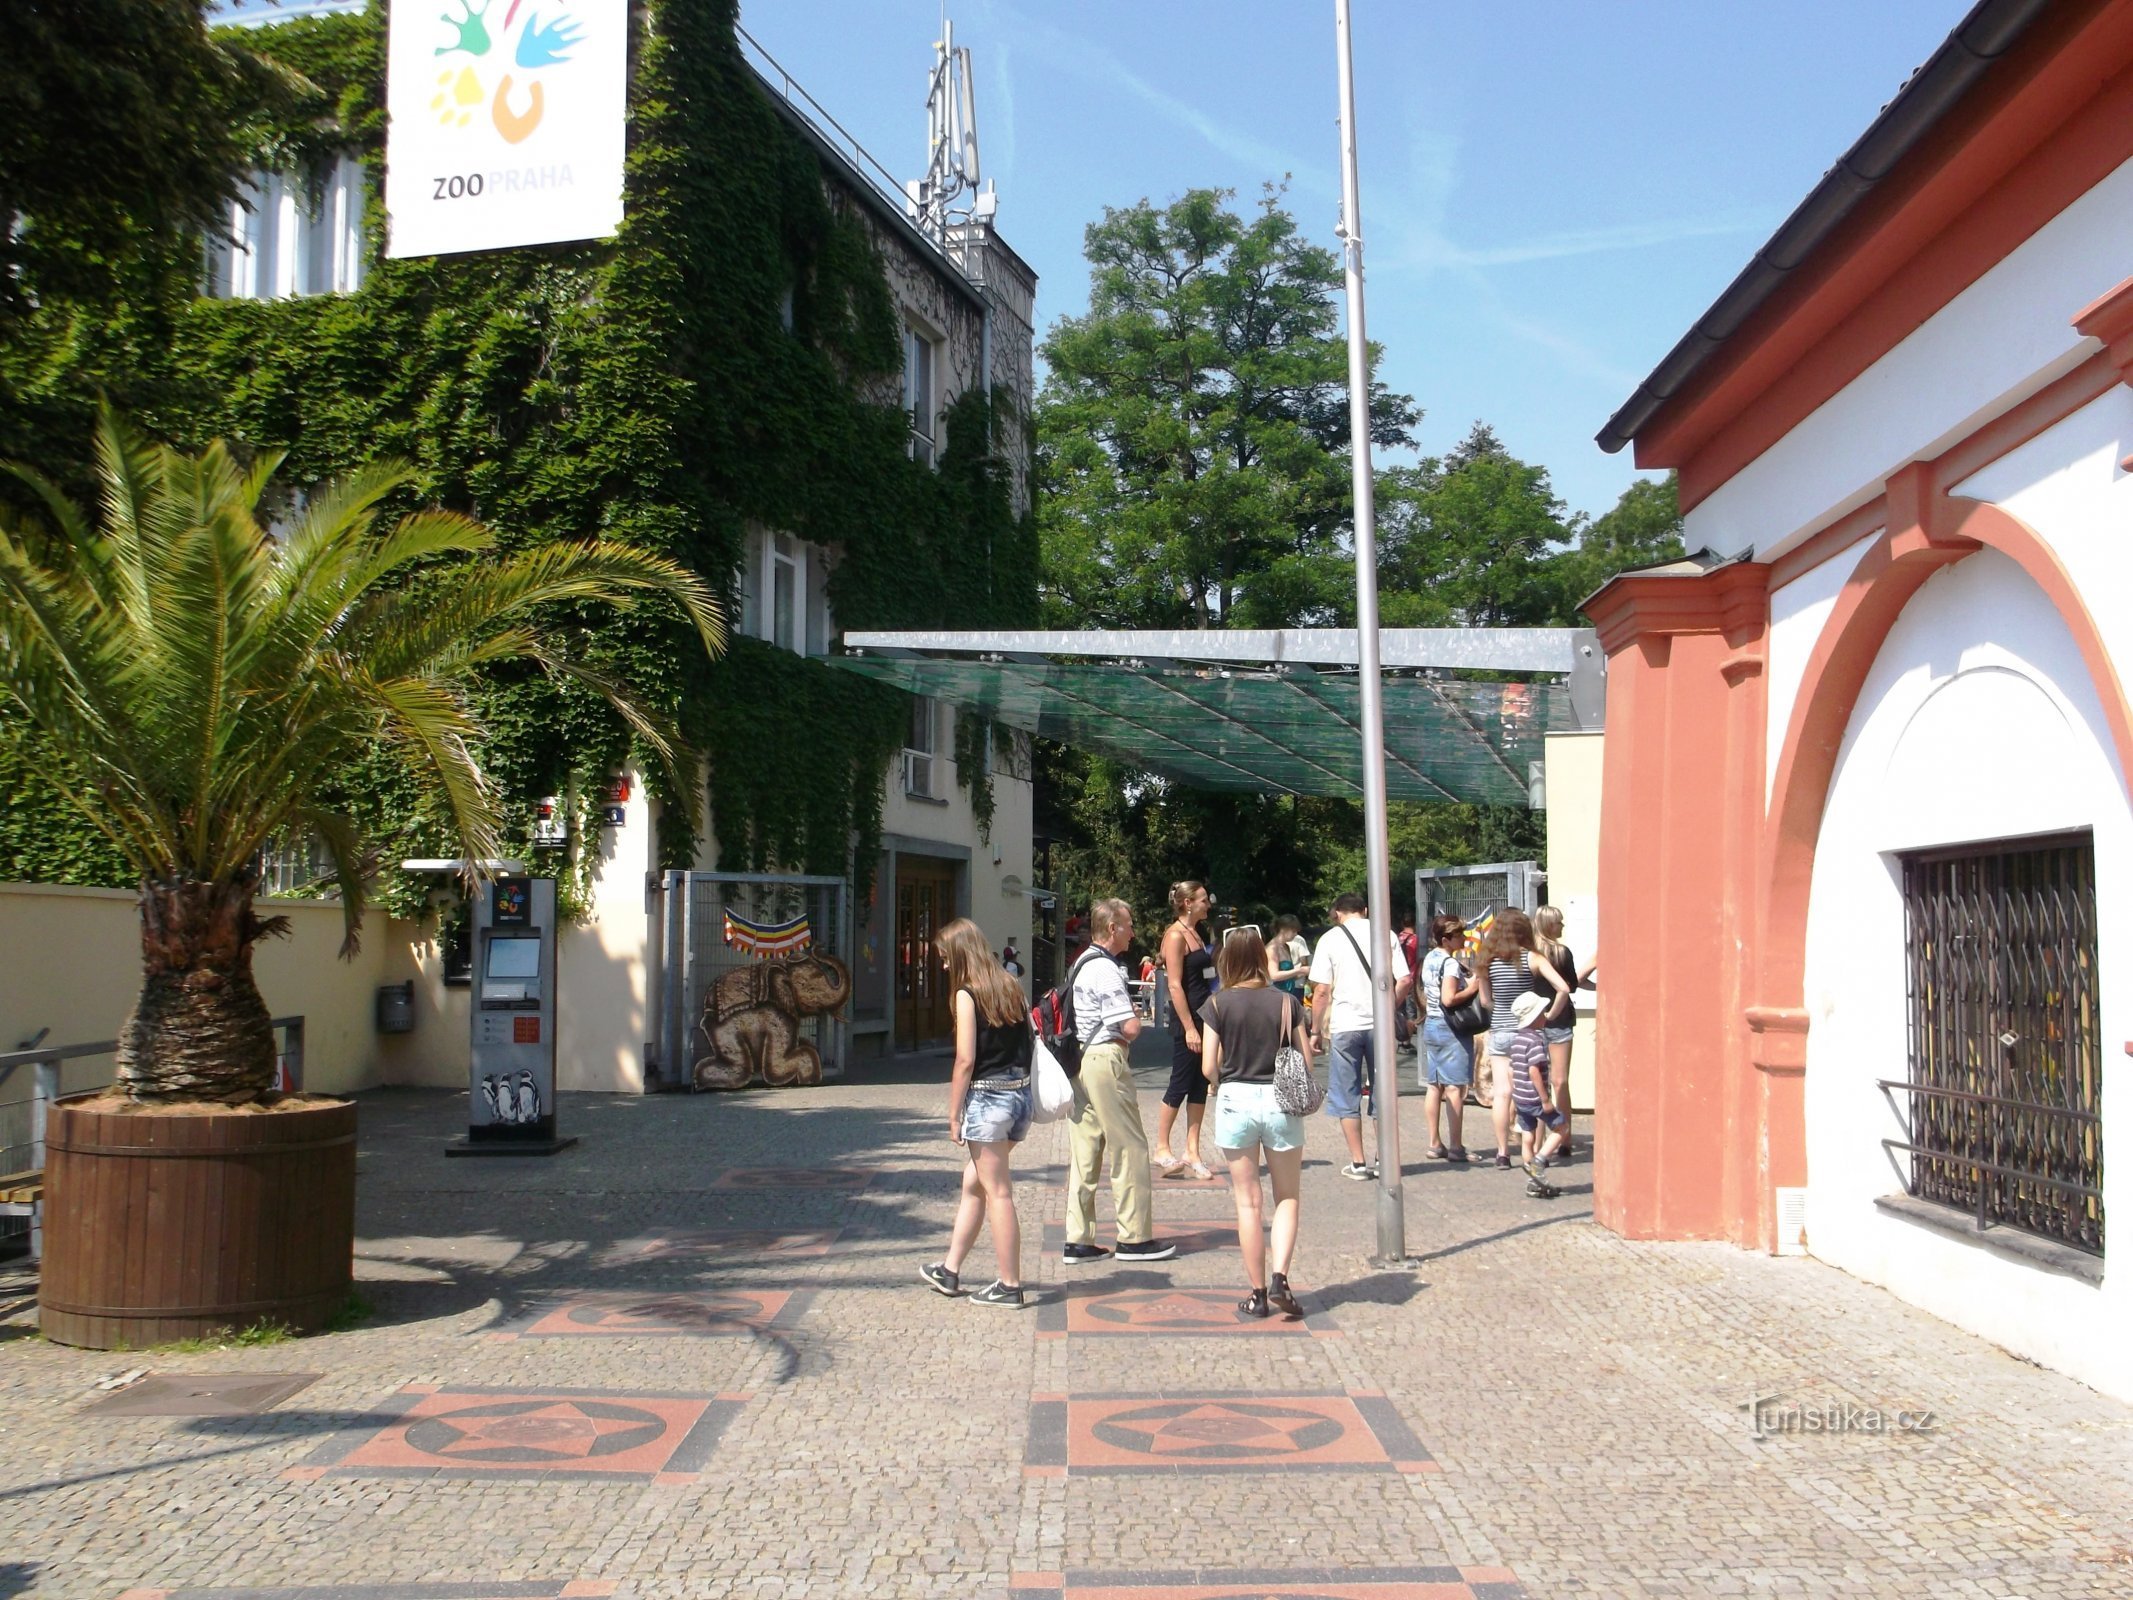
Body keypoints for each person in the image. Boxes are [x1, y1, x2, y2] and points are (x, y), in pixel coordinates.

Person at [920, 919, 1033, 1307]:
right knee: (975, 1183)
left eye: (946, 959)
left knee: (998, 1192)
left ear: (960, 954)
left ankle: (1009, 1285)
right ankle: (949, 1270)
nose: (944, 967)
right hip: (1020, 1100)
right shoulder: (1010, 984)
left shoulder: (968, 994)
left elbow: (965, 1060)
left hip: (989, 1103)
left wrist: (954, 1115)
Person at [1199, 927, 1309, 1318]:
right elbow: (1306, 1061)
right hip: (1280, 1100)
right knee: (1287, 1197)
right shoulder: (1286, 1003)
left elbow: (1208, 1065)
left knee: (1248, 1202)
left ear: (1227, 960)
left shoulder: (1218, 1003)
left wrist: (1221, 1083)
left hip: (1236, 1100)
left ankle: (1257, 1294)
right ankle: (1281, 1275)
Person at [1063, 898, 1177, 1264]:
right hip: (1104, 1058)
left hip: (1079, 1060)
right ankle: (1133, 1238)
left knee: (1085, 1151)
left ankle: (1078, 1239)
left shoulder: (1080, 962)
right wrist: (1132, 1029)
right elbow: (1128, 1025)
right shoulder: (1107, 969)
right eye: (1128, 925)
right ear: (1112, 928)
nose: (1133, 932)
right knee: (1130, 1146)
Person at [1307, 892, 1413, 1180]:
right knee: (1383, 1090)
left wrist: (1315, 1031)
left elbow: (1321, 991)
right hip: (1379, 1025)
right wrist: (1389, 1005)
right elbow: (1404, 979)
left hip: (1345, 1025)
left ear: (1337, 913)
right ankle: (1383, 1159)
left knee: (1346, 1092)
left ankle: (1358, 1162)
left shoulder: (1329, 939)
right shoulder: (1385, 934)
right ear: (1364, 910)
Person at [1474, 908, 1575, 1170]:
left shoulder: (1487, 959)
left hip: (1499, 1031)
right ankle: (1538, 1151)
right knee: (1533, 1088)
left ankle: (1502, 1153)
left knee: (1502, 1093)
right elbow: (1563, 987)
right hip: (1528, 1033)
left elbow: (1485, 1001)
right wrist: (1551, 1013)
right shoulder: (1532, 958)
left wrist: (1500, 1010)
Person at [1155, 880, 1217, 1180]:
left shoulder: (1197, 932)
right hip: (1188, 1019)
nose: (1208, 904)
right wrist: (1190, 1027)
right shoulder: (1176, 935)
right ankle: (1162, 1147)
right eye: (1203, 899)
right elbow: (1175, 985)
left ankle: (1192, 1150)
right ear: (1187, 903)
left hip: (1205, 1015)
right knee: (1179, 1081)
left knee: (1199, 1082)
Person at [1531, 905, 1596, 1165]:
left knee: (1538, 1083)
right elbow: (1571, 985)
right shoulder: (1560, 953)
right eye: (1559, 922)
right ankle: (1564, 1137)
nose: (1562, 926)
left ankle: (1535, 1142)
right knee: (1560, 1082)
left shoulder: (1530, 955)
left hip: (1534, 1021)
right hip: (1559, 1021)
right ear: (1550, 925)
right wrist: (1591, 967)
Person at [1419, 913, 1476, 1162]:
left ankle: (1434, 1143)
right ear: (1446, 939)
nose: (1463, 938)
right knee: (1454, 1088)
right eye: (1459, 935)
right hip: (1450, 1027)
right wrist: (1473, 987)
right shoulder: (1450, 964)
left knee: (1434, 1085)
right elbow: (1448, 999)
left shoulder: (1429, 958)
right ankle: (1456, 1146)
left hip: (1432, 1024)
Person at [1506, 989, 1569, 1197]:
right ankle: (1539, 1162)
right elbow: (1534, 1070)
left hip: (1521, 1097)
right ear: (1534, 1018)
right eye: (1542, 1013)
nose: (1545, 1016)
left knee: (1528, 1137)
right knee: (1561, 1127)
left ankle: (1533, 1181)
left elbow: (1512, 1068)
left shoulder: (1517, 1040)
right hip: (1534, 1098)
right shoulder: (1535, 1041)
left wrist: (1515, 1096)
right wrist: (1545, 1099)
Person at [1267, 914, 1311, 1012]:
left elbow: (1288, 976)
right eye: (1294, 931)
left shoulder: (1286, 946)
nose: (1296, 934)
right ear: (1283, 929)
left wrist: (1303, 972)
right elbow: (1273, 976)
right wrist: (1299, 970)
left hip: (1290, 995)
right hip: (1277, 997)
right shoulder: (1272, 948)